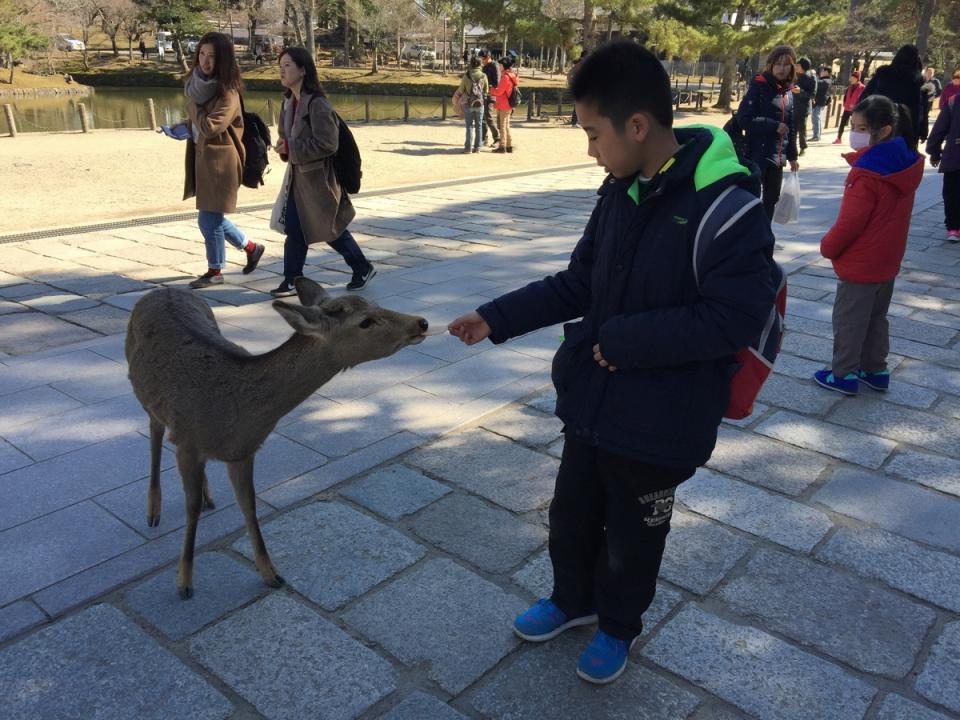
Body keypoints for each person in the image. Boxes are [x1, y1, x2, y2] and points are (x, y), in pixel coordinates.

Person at [447, 40, 777, 686]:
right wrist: (498, 317)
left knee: (634, 534)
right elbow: (579, 282)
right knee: (571, 513)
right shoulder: (618, 190)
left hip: (661, 421)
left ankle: (619, 626)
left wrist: (627, 342)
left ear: (637, 126)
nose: (590, 149)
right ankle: (572, 600)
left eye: (594, 134)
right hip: (594, 405)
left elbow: (731, 318)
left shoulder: (727, 207)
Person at [813, 96, 923, 395]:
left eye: (861, 128)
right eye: (853, 126)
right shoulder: (903, 165)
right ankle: (875, 369)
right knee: (876, 317)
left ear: (884, 131)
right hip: (887, 261)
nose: (855, 133)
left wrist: (828, 246)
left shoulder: (866, 174)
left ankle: (843, 374)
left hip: (860, 263)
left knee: (849, 319)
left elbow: (851, 223)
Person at [270, 47, 375, 297]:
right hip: (298, 179)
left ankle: (362, 266)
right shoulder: (288, 103)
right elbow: (287, 138)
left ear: (303, 69)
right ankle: (292, 278)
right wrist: (284, 147)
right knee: (296, 229)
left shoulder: (317, 104)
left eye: (287, 66)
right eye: (280, 66)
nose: (282, 71)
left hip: (320, 180)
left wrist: (292, 147)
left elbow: (329, 143)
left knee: (331, 229)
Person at [182, 32, 265, 289]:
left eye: (212, 57)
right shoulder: (197, 85)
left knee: (208, 219)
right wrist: (183, 126)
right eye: (202, 55)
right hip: (203, 158)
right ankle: (251, 248)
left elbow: (210, 127)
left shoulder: (228, 93)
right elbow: (199, 126)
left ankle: (215, 270)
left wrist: (191, 109)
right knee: (212, 217)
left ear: (224, 60)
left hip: (223, 163)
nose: (205, 62)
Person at [736, 45, 800, 220]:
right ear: (770, 65)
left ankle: (765, 237)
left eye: (786, 64)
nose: (781, 68)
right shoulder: (759, 86)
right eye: (778, 64)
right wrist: (772, 125)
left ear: (792, 67)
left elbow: (791, 125)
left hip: (777, 157)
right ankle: (749, 238)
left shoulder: (789, 92)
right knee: (751, 199)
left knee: (771, 199)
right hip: (756, 152)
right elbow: (744, 119)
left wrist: (793, 155)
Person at [860, 44, 924, 149]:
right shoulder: (914, 80)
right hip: (903, 127)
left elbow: (865, 96)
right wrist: (917, 135)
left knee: (875, 154)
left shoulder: (882, 73)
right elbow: (917, 109)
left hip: (878, 122)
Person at [926, 93, 960, 241]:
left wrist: (934, 152)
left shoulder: (954, 101)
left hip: (955, 156)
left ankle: (953, 228)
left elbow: (940, 128)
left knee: (952, 192)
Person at [457, 56, 488, 153]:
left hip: (468, 103)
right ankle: (477, 147)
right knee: (479, 126)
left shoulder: (466, 76)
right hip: (480, 104)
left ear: (471, 64)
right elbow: (486, 91)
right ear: (480, 64)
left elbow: (461, 90)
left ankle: (468, 148)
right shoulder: (483, 76)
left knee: (469, 126)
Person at [489, 55, 519, 153]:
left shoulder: (505, 77)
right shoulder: (511, 75)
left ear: (504, 66)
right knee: (506, 125)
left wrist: (490, 89)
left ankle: (502, 147)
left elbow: (499, 92)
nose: (499, 66)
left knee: (502, 126)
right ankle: (509, 145)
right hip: (508, 104)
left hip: (504, 104)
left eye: (500, 65)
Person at [792, 57, 816, 155]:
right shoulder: (794, 76)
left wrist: (800, 91)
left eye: (798, 65)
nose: (796, 67)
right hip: (792, 105)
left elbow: (812, 94)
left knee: (802, 129)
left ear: (803, 67)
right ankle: (792, 148)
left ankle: (803, 147)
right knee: (792, 129)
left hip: (803, 108)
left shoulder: (811, 78)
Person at [833, 70, 865, 144]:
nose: (851, 79)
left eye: (853, 78)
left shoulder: (862, 88)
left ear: (858, 79)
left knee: (855, 125)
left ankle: (856, 140)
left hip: (856, 110)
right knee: (842, 123)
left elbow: (863, 99)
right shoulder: (850, 87)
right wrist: (845, 104)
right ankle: (839, 138)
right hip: (847, 108)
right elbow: (845, 97)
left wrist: (857, 106)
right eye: (851, 78)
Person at [478, 50, 501, 147]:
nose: (481, 61)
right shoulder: (485, 67)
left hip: (491, 95)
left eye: (482, 59)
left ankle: (497, 138)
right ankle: (484, 139)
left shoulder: (495, 66)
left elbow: (497, 83)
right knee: (483, 117)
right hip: (483, 95)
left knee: (489, 117)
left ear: (487, 57)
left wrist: (488, 86)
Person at [811, 65, 832, 141]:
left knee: (816, 118)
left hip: (820, 102)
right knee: (816, 118)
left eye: (822, 71)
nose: (820, 72)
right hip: (819, 102)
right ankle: (817, 135)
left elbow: (817, 83)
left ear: (826, 72)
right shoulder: (824, 80)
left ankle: (816, 136)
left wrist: (813, 76)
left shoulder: (826, 81)